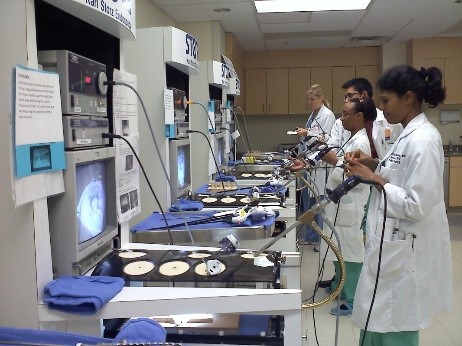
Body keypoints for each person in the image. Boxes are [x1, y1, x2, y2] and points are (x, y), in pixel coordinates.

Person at [344, 65, 452, 345]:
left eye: (385, 101)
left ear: (408, 98)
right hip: (390, 246)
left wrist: (375, 179)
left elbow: (417, 204)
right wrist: (371, 165)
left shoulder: (424, 141)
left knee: (396, 325)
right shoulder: (405, 134)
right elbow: (398, 175)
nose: (381, 108)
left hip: (406, 252)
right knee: (377, 320)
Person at [319, 97, 377, 316]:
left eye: (345, 114)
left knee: (351, 253)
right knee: (339, 248)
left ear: (359, 117)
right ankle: (341, 288)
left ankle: (353, 300)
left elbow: (355, 175)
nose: (341, 118)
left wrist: (334, 161)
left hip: (351, 204)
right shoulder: (353, 138)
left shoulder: (361, 143)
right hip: (339, 203)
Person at [295, 84, 335, 251]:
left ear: (321, 98)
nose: (309, 102)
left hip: (319, 163)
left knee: (317, 202)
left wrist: (307, 134)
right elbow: (311, 136)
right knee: (309, 201)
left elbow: (324, 139)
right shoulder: (313, 114)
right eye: (308, 99)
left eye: (312, 99)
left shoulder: (328, 115)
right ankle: (311, 237)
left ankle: (318, 239)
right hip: (308, 161)